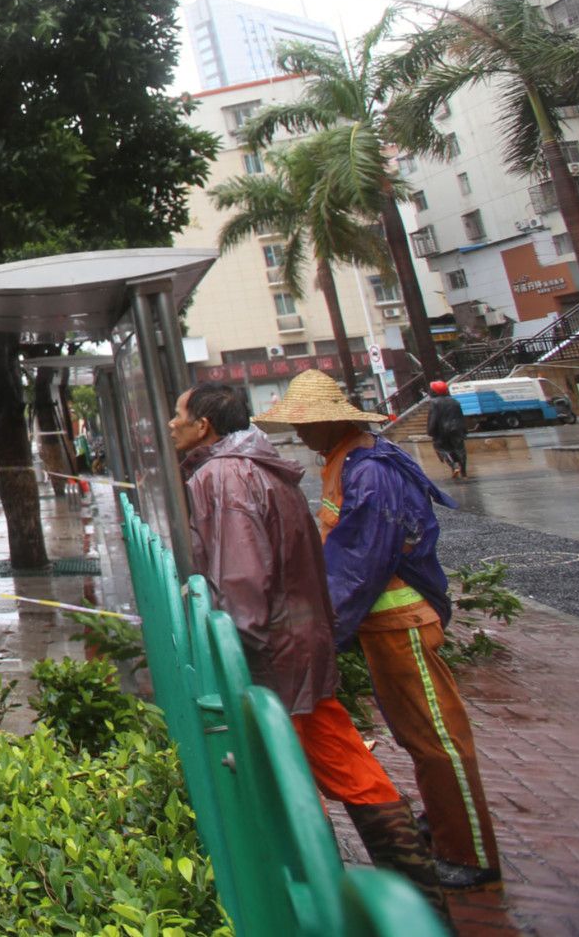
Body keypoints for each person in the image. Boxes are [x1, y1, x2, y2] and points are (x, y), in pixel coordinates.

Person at [169, 382, 445, 908]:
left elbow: (241, 580)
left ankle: (324, 900)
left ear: (204, 425)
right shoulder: (257, 466)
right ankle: (422, 900)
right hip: (301, 645)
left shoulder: (223, 476)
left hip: (272, 656)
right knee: (348, 765)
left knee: (284, 774)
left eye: (178, 415)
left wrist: (233, 658)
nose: (171, 424)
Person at [256, 370, 501, 890]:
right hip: (384, 625)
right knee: (417, 735)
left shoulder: (367, 470)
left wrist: (324, 630)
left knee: (437, 738)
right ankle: (442, 825)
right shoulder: (345, 460)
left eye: (305, 423)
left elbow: (358, 563)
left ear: (332, 421)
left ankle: (469, 852)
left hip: (400, 623)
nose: (299, 432)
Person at [424, 380, 469, 479]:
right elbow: (461, 417)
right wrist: (464, 429)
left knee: (441, 448)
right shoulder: (455, 401)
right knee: (460, 449)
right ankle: (464, 472)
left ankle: (454, 466)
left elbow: (433, 418)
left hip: (442, 431)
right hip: (457, 429)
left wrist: (430, 431)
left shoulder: (434, 402)